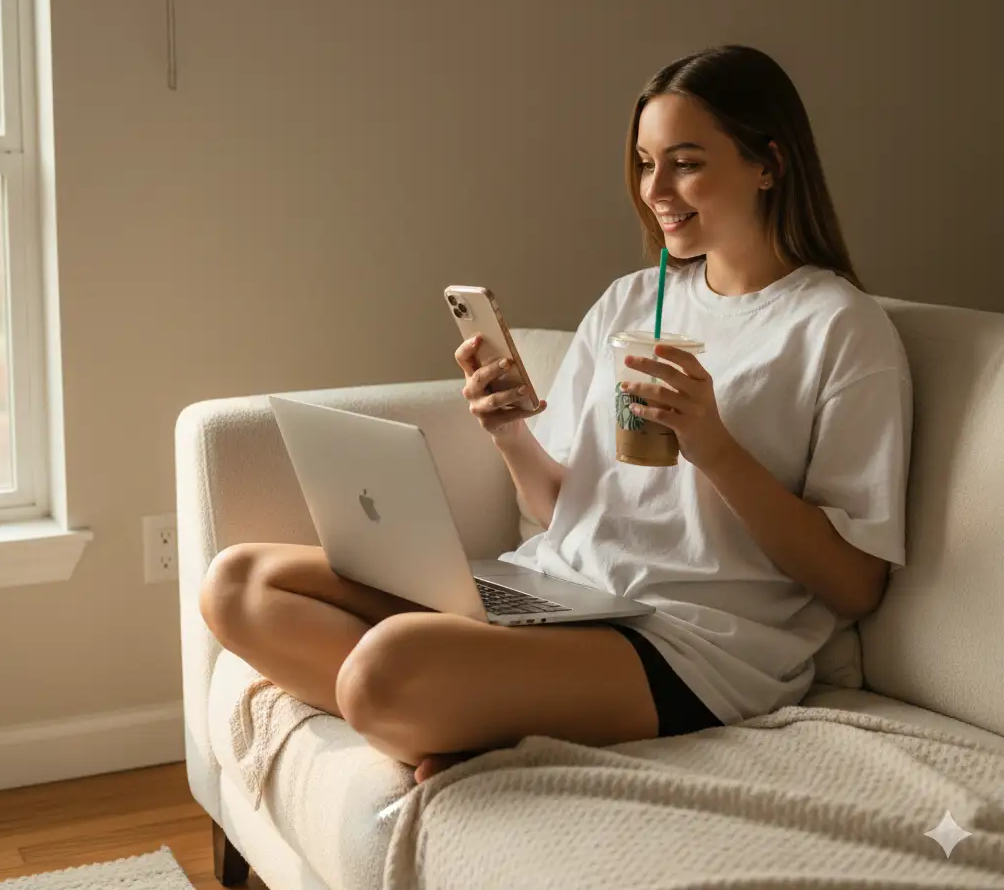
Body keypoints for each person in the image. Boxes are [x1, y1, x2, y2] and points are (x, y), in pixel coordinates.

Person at [199, 45, 912, 786]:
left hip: (693, 643)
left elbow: (856, 586)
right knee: (241, 582)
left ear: (769, 163)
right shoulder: (633, 301)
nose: (655, 189)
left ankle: (446, 707)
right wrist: (509, 431)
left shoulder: (839, 328)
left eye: (686, 162)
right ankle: (463, 716)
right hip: (563, 590)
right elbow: (560, 511)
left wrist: (714, 447)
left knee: (383, 669)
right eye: (645, 162)